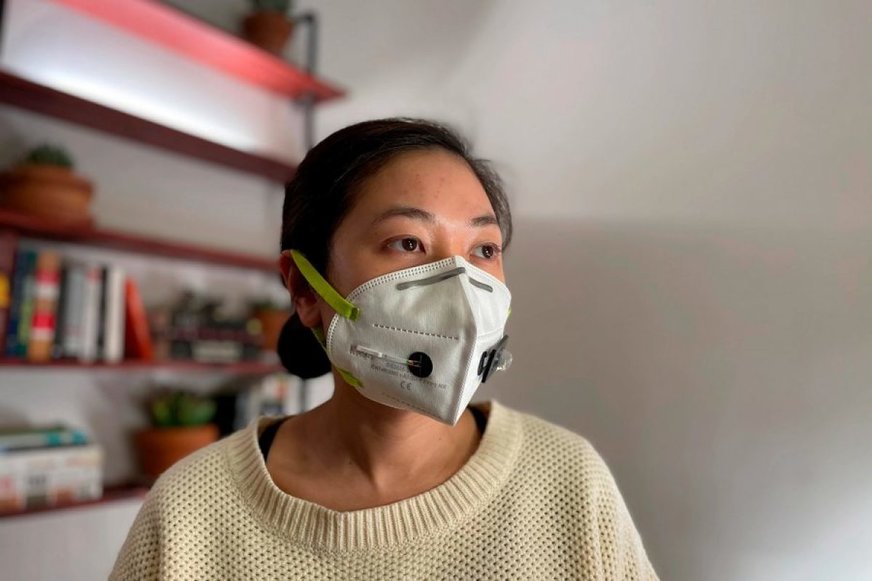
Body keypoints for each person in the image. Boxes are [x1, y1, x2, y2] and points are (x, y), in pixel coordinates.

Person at [110, 118, 658, 580]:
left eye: (484, 249)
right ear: (305, 290)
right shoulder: (190, 509)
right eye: (407, 242)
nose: (461, 288)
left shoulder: (568, 479)